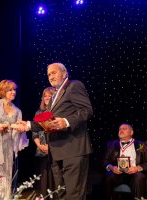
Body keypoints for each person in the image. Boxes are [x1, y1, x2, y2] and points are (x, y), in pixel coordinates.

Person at [17, 63, 93, 200]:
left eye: (54, 73)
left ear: (64, 73)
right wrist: (27, 125)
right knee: (61, 194)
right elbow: (45, 121)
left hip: (73, 150)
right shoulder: (53, 97)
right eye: (49, 74)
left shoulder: (74, 86)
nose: (51, 76)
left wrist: (66, 121)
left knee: (74, 195)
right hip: (56, 152)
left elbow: (87, 111)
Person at [104, 123, 147, 199]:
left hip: (134, 174)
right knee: (108, 176)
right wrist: (111, 167)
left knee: (139, 176)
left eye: (124, 129)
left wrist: (137, 168)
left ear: (131, 132)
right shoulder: (112, 144)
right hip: (118, 174)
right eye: (120, 129)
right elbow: (105, 161)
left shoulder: (141, 145)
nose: (121, 130)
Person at [32, 87, 55, 195]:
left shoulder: (57, 111)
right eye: (45, 96)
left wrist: (50, 147)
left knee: (55, 173)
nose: (46, 98)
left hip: (55, 145)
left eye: (49, 96)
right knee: (44, 173)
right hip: (42, 145)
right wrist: (40, 146)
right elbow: (34, 132)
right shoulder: (38, 112)